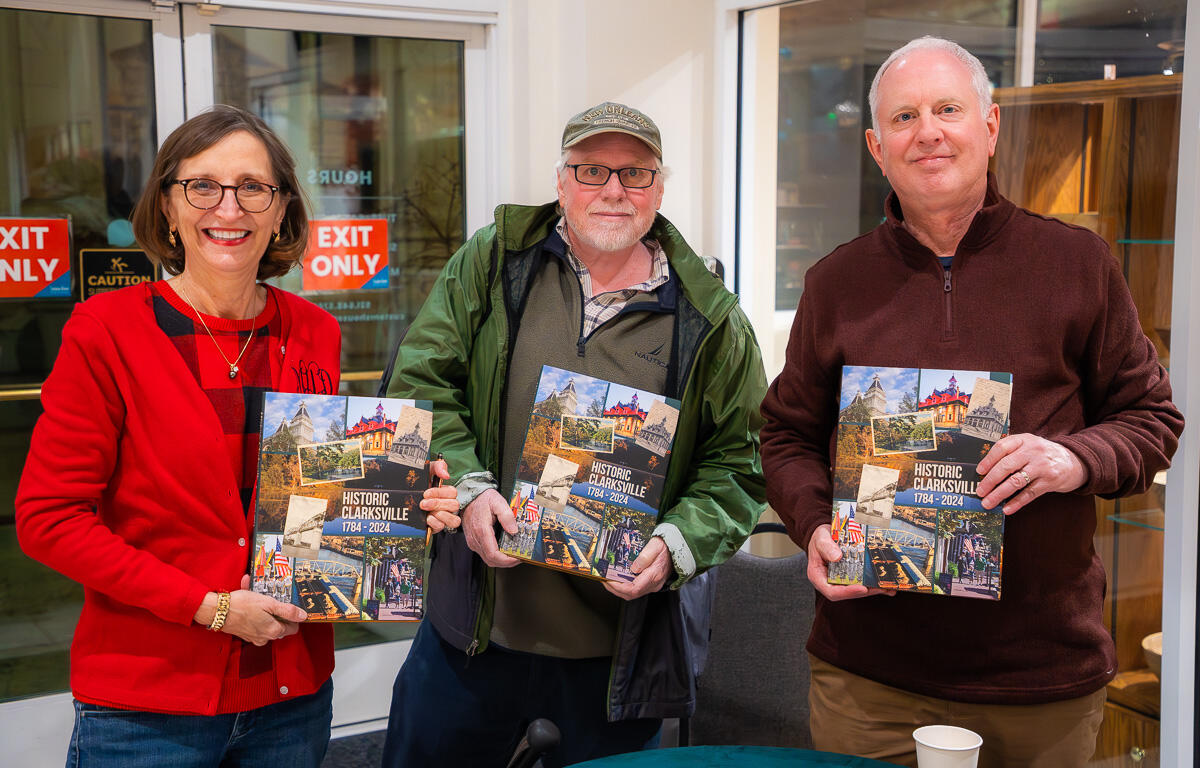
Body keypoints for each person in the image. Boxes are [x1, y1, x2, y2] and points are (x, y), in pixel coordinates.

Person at [759, 37, 1183, 768]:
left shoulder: (1078, 265)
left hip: (1041, 681)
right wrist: (814, 525)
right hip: (869, 682)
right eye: (904, 117)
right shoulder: (835, 283)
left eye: (948, 109)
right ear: (877, 147)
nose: (927, 131)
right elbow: (786, 435)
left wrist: (1073, 459)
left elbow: (1153, 420)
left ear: (988, 127)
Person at [13, 105, 457, 768]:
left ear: (280, 211)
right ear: (167, 206)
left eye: (254, 187)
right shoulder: (105, 331)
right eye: (203, 186)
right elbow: (47, 519)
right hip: (149, 705)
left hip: (290, 693)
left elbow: (312, 501)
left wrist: (399, 505)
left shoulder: (314, 331)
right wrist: (210, 609)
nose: (230, 207)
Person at [382, 101, 767, 767]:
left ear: (660, 187)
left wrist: (679, 543)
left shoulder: (710, 317)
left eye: (635, 173)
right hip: (472, 627)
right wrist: (470, 489)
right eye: (592, 170)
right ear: (561, 183)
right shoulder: (496, 262)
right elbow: (421, 384)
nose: (614, 189)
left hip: (617, 653)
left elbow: (739, 462)